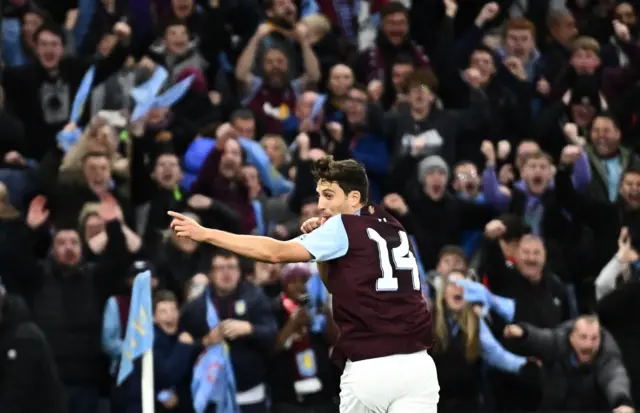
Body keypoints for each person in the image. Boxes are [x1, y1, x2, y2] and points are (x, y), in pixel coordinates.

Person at [169, 155, 439, 413]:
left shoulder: (343, 227)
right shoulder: (393, 226)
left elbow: (274, 253)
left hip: (372, 368)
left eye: (329, 196)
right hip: (419, 369)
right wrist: (322, 252)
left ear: (354, 198)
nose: (321, 205)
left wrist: (206, 234)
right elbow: (338, 287)